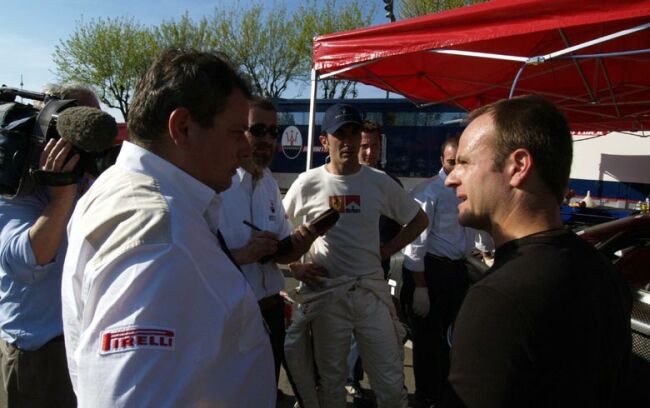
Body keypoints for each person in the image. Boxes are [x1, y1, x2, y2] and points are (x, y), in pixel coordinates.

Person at [61, 49, 275, 407]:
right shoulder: (161, 238)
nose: (245, 149)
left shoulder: (124, 188)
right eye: (238, 132)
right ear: (183, 128)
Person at [443, 95, 631, 407]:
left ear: (518, 166)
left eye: (464, 162)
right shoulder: (602, 270)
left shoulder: (499, 299)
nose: (451, 178)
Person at [283, 104, 428, 408]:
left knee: (390, 382)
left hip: (370, 294)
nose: (348, 141)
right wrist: (296, 268)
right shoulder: (306, 184)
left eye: (353, 133)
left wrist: (388, 249)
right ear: (325, 141)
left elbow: (418, 219)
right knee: (331, 384)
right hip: (327, 296)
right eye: (340, 134)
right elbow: (281, 239)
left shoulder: (378, 181)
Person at [0, 83, 101, 407]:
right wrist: (61, 195)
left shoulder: (89, 182)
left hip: (81, 346)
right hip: (35, 354)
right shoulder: (15, 190)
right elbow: (26, 262)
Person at [218, 97, 318, 401]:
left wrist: (302, 240)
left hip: (270, 313)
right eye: (257, 129)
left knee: (265, 396)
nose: (267, 139)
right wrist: (242, 255)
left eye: (273, 132)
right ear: (238, 131)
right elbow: (192, 261)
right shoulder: (216, 185)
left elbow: (280, 254)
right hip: (231, 318)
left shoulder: (270, 185)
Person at [401, 135, 472, 408]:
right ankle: (427, 394)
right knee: (428, 341)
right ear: (442, 160)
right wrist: (420, 287)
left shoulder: (464, 189)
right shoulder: (428, 192)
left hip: (456, 271)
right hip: (432, 271)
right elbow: (416, 243)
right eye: (452, 162)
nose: (456, 168)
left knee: (452, 338)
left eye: (462, 162)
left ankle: (445, 390)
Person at [345, 120, 404, 400]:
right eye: (364, 146)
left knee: (374, 326)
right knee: (345, 326)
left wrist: (388, 248)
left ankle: (379, 381)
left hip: (377, 269)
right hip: (343, 271)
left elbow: (411, 222)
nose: (369, 152)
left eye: (374, 146)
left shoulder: (390, 183)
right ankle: (348, 378)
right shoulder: (343, 180)